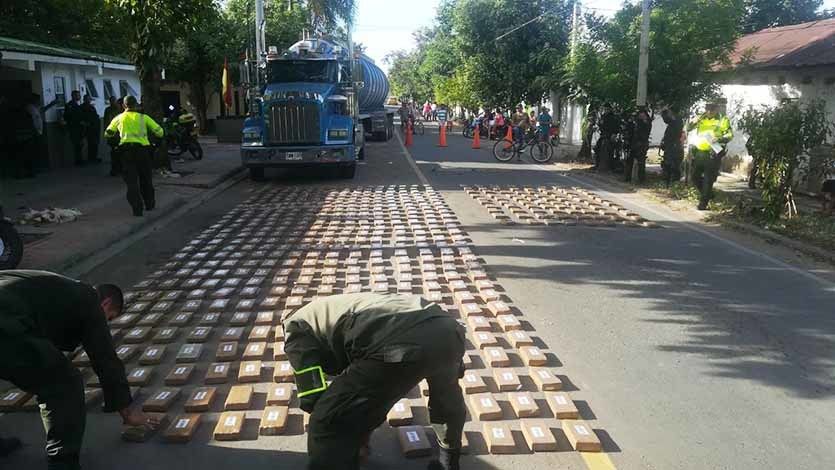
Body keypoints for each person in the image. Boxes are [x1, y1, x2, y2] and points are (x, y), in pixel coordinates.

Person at [284, 293, 466, 470]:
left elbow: (313, 396)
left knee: (327, 423)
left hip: (399, 343)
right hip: (448, 330)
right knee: (446, 398)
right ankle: (448, 463)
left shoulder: (295, 327)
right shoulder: (334, 309)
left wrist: (344, 434)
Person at [0, 270, 159, 470]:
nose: (105, 323)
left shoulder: (58, 287)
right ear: (105, 304)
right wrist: (127, 411)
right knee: (64, 384)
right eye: (109, 319)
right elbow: (105, 358)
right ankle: (63, 464)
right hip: (5, 322)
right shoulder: (89, 300)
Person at [105, 96, 164, 216]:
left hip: (126, 153)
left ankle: (137, 210)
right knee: (146, 180)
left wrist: (115, 139)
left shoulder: (119, 118)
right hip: (143, 152)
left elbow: (108, 133)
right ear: (136, 105)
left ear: (123, 106)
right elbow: (160, 132)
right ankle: (149, 204)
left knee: (131, 182)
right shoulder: (144, 117)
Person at [687, 101, 733, 210]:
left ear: (716, 109)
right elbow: (688, 128)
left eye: (712, 109)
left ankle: (703, 203)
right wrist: (693, 122)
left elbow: (730, 135)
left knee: (708, 179)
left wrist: (719, 138)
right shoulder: (701, 118)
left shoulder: (723, 120)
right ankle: (709, 194)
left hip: (713, 153)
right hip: (700, 152)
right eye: (707, 109)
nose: (709, 111)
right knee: (694, 177)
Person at [624, 107, 652, 183]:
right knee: (630, 160)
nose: (641, 116)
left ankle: (641, 178)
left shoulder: (646, 123)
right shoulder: (637, 122)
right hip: (635, 143)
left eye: (642, 114)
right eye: (640, 114)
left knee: (640, 162)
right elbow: (631, 131)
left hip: (642, 144)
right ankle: (629, 177)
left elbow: (644, 133)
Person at [660, 108, 685, 186]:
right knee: (668, 164)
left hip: (674, 147)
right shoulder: (672, 123)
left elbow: (673, 134)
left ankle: (673, 182)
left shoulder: (676, 120)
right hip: (670, 146)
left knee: (673, 165)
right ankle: (668, 182)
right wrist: (664, 142)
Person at [103, 97, 124, 176]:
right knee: (116, 153)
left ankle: (117, 169)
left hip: (117, 136)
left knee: (117, 153)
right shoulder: (112, 111)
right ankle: (116, 169)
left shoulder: (117, 111)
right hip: (115, 136)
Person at [63, 91, 85, 166]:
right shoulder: (70, 105)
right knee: (77, 144)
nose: (79, 96)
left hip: (79, 128)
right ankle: (78, 161)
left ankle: (79, 160)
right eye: (78, 95)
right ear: (74, 96)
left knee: (79, 144)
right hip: (74, 128)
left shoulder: (77, 105)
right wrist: (78, 122)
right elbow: (67, 117)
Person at [80, 95, 101, 164]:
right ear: (84, 99)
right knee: (89, 143)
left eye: (89, 99)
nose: (88, 100)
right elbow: (81, 118)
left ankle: (94, 157)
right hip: (87, 128)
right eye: (87, 99)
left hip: (94, 128)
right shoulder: (81, 107)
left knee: (94, 143)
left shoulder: (92, 107)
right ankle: (90, 158)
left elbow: (95, 116)